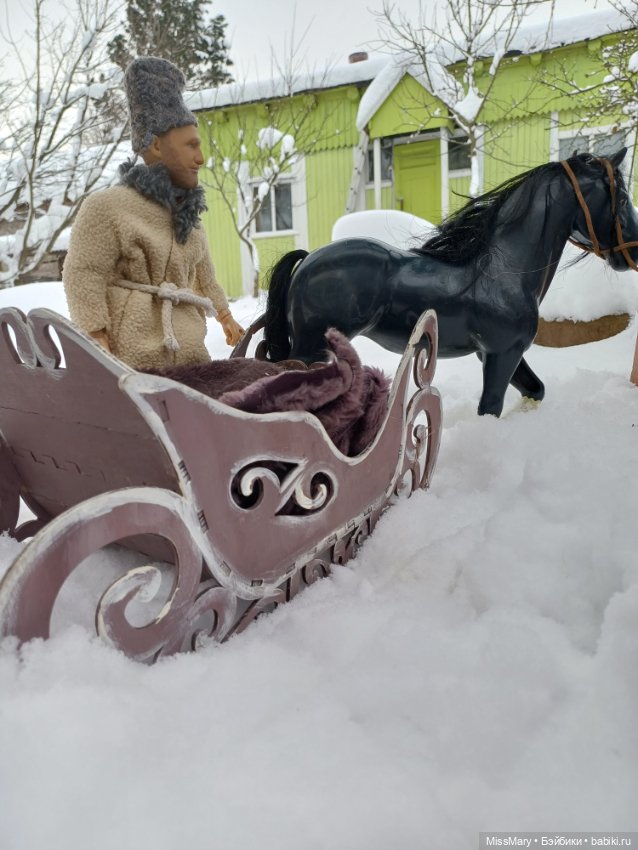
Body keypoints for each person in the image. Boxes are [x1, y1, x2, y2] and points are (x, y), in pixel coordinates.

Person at [63, 56, 244, 371]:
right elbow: (84, 273)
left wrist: (226, 317)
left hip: (191, 359)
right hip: (130, 363)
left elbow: (206, 278)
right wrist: (96, 336)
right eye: (190, 145)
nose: (200, 158)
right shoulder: (108, 207)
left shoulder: (189, 219)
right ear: (157, 146)